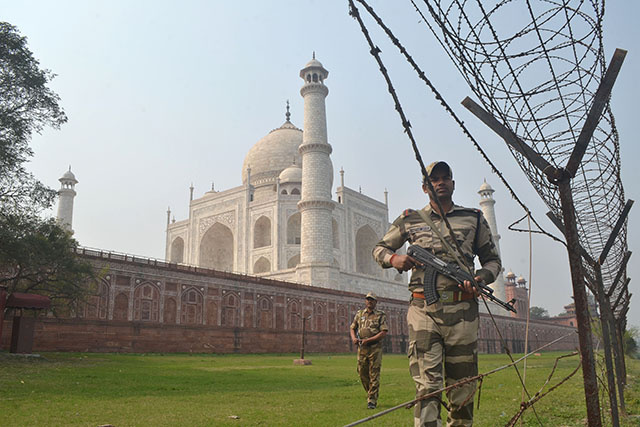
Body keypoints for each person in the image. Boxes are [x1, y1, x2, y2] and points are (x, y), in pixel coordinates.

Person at [372, 161, 501, 426]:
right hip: (424, 311)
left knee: (462, 386)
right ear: (425, 187)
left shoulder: (473, 217)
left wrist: (480, 279)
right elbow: (379, 249)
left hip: (462, 312)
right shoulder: (410, 219)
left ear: (453, 183)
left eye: (445, 178)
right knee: (428, 386)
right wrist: (394, 259)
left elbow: (493, 261)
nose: (440, 182)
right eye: (434, 179)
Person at [349, 292, 389, 409]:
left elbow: (383, 332)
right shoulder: (360, 314)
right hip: (362, 348)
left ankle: (372, 400)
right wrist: (354, 338)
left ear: (376, 302)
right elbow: (352, 327)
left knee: (374, 374)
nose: (369, 302)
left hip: (375, 348)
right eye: (367, 299)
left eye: (372, 300)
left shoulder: (380, 315)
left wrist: (370, 339)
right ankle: (370, 392)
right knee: (362, 372)